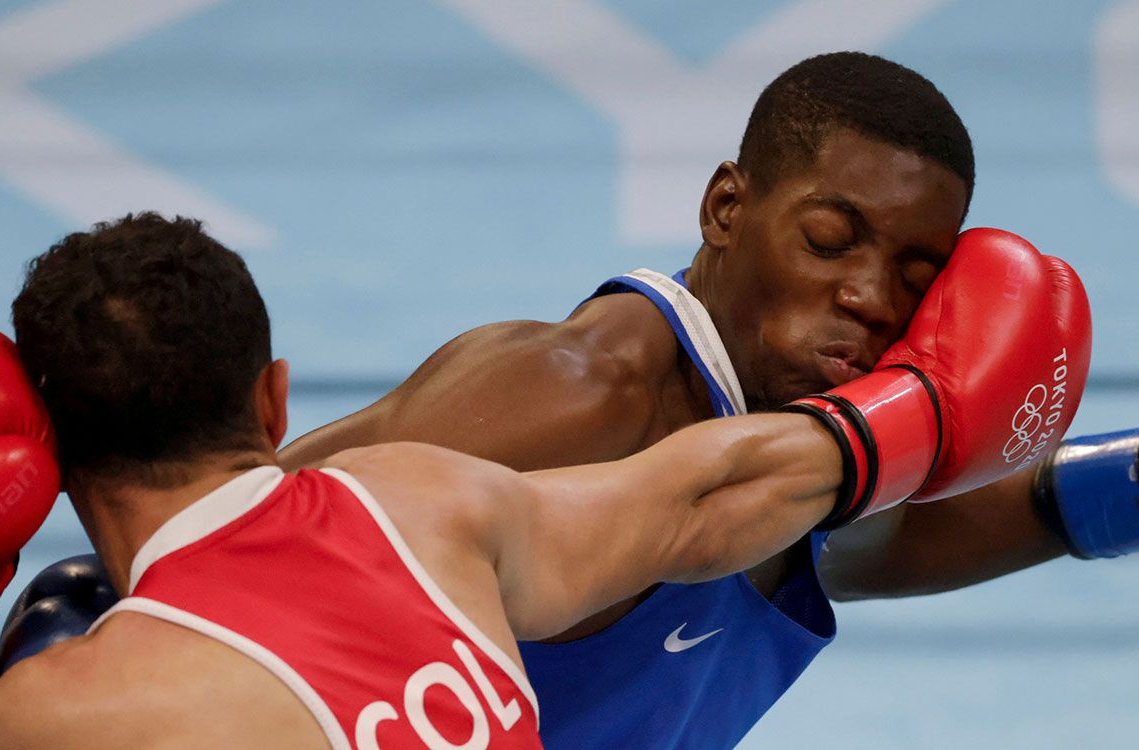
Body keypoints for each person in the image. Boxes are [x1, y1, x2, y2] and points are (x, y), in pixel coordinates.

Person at [0, 212, 1087, 748]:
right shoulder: (425, 504)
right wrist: (916, 415)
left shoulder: (61, 716)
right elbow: (707, 498)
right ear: (275, 398)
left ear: (60, 461)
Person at [269, 51, 1122, 749]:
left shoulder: (796, 443)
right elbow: (221, 546)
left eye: (915, 276)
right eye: (830, 240)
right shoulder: (580, 395)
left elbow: (872, 546)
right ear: (725, 207)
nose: (868, 295)